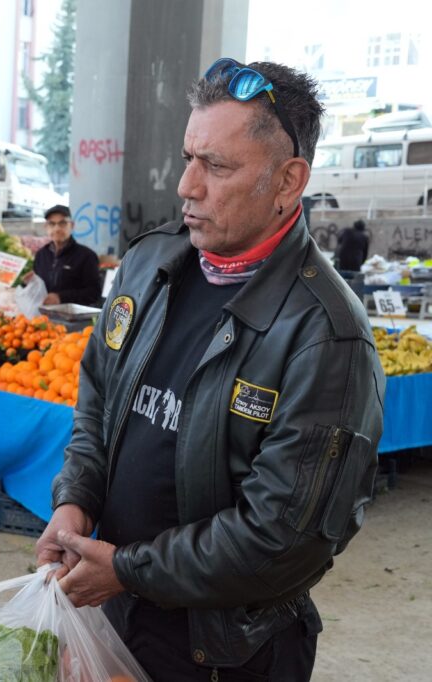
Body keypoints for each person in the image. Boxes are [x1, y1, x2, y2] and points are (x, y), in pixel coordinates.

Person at [36, 59, 385, 680]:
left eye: (216, 166)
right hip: (113, 620)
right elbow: (98, 398)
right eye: (188, 157)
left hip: (226, 653)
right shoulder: (149, 265)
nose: (186, 186)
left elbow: (279, 538)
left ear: (287, 181)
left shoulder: (324, 335)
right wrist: (76, 502)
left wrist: (125, 569)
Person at [31, 204, 102, 306]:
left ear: (72, 225)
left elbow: (94, 293)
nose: (57, 228)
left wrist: (61, 297)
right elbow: (38, 287)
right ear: (46, 227)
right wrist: (27, 283)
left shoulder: (87, 256)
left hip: (72, 318)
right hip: (42, 317)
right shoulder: (41, 255)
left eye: (62, 223)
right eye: (52, 224)